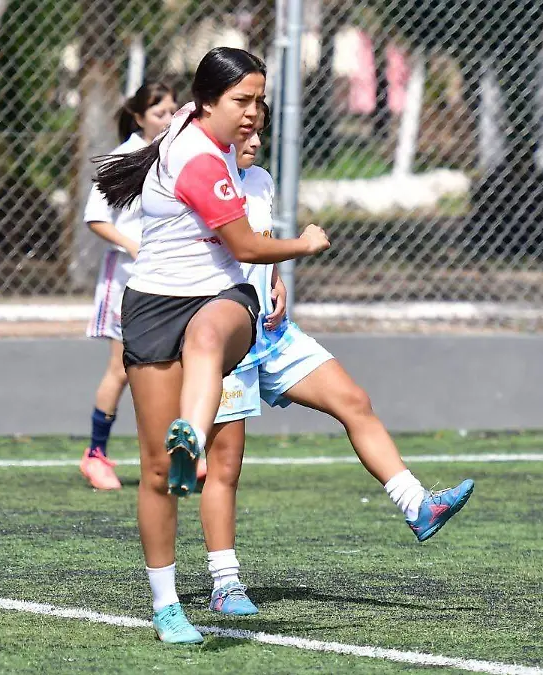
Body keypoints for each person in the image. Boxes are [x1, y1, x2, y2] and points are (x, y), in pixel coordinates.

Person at [92, 46, 329, 644]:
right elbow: (247, 246)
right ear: (207, 102)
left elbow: (238, 265)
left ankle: (191, 434)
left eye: (259, 101)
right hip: (149, 308)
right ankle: (167, 604)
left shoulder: (187, 127)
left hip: (221, 303)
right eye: (241, 101)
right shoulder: (199, 160)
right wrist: (303, 246)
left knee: (206, 336)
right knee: (154, 473)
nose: (253, 113)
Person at [199, 120, 475, 618]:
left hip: (272, 333)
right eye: (247, 133)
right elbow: (231, 248)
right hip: (224, 341)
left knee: (354, 401)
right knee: (225, 466)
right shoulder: (199, 178)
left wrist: (276, 279)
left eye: (261, 131)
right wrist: (299, 247)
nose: (256, 142)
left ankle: (417, 505)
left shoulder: (259, 180)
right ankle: (225, 582)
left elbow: (259, 244)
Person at [80, 81, 177, 490]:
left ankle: (175, 457)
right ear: (138, 117)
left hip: (170, 280)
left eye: (173, 111)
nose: (169, 120)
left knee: (175, 367)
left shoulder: (178, 157)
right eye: (160, 114)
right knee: (122, 370)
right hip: (127, 281)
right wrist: (132, 245)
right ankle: (95, 455)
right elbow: (96, 217)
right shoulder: (122, 159)